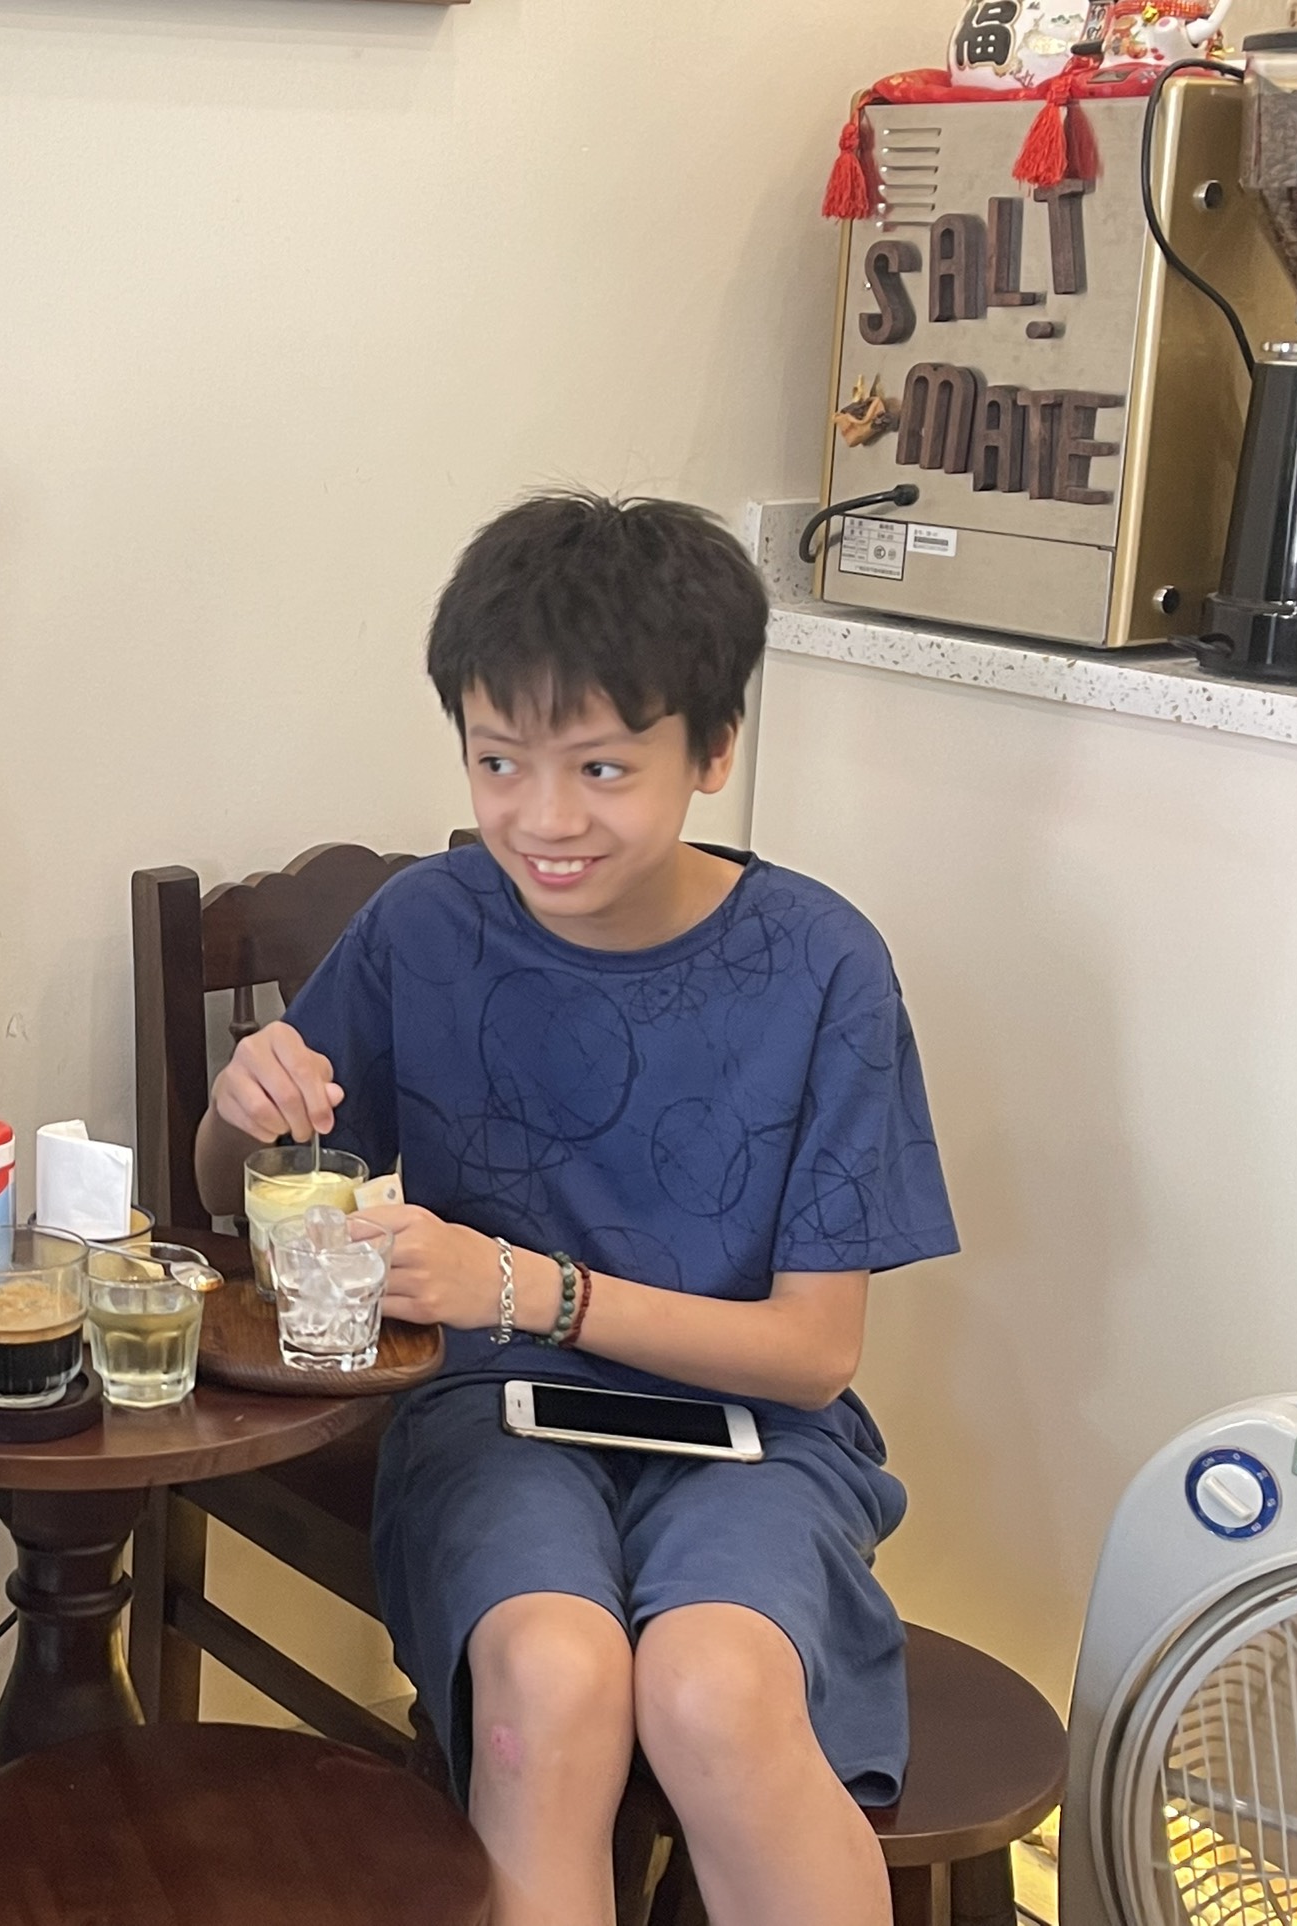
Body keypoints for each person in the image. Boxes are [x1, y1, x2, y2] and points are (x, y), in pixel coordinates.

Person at [194, 493, 957, 1926]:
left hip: (755, 1436)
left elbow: (814, 1356)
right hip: (490, 1415)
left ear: (712, 750)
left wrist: (524, 1287)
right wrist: (241, 1111)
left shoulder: (821, 965)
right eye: (499, 761)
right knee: (549, 1680)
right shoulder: (427, 924)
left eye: (602, 766)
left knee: (713, 1688)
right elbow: (234, 1193)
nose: (543, 819)